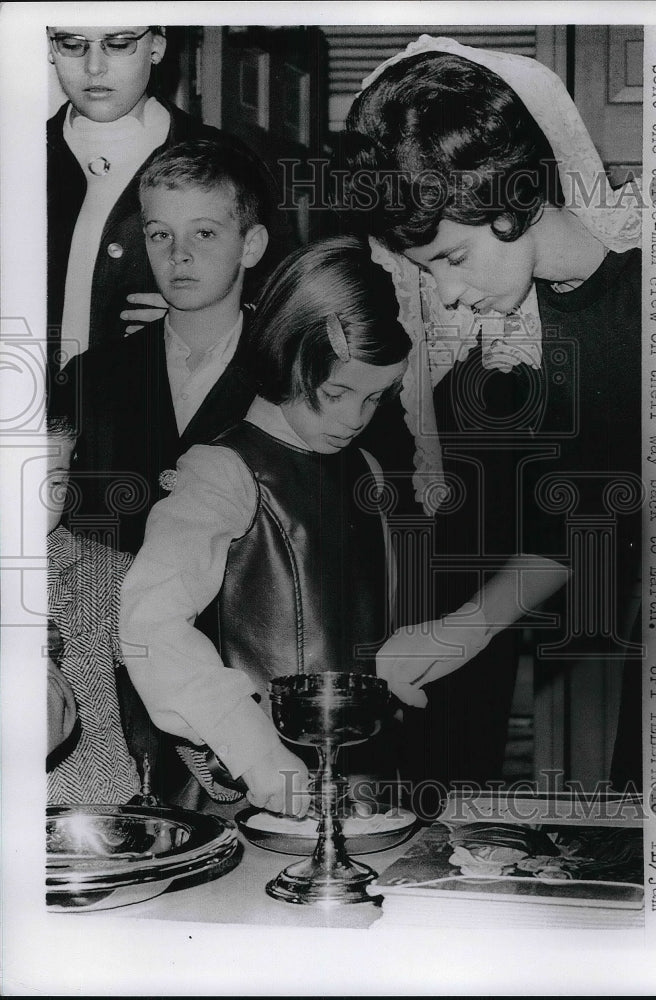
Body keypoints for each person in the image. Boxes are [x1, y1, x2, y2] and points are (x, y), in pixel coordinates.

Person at [119, 236, 569, 815]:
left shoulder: (368, 470)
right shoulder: (220, 470)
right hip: (254, 796)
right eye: (336, 393)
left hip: (365, 786)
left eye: (376, 398)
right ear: (288, 356)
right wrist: (251, 748)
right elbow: (150, 625)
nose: (354, 420)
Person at [343, 36, 643, 793]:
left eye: (450, 259)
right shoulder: (535, 336)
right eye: (424, 269)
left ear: (513, 200)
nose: (443, 296)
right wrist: (455, 633)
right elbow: (581, 519)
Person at [50, 137, 270, 557]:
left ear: (250, 245)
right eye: (160, 234)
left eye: (204, 233)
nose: (178, 254)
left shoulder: (289, 371)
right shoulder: (90, 376)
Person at [46, 24, 280, 380]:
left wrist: (210, 323)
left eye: (119, 44)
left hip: (156, 409)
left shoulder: (227, 159)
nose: (94, 67)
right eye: (72, 44)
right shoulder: (17, 154)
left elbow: (288, 302)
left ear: (155, 46)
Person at [45, 415, 141, 805]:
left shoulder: (111, 574)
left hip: (95, 814)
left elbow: (174, 677)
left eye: (54, 482)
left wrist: (234, 761)